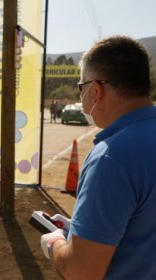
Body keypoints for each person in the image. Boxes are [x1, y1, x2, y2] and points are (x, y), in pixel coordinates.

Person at [40, 35, 156, 279]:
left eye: (80, 88)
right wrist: (81, 230)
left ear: (95, 90)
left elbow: (81, 271)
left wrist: (55, 243)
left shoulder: (111, 158)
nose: (81, 99)